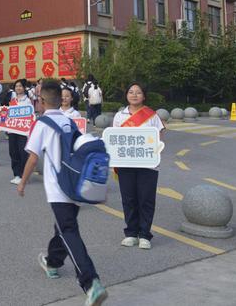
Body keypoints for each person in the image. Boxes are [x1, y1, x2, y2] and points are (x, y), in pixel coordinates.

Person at [17, 80, 108, 306]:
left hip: (58, 189)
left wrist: (23, 182)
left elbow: (33, 157)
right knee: (63, 227)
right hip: (76, 185)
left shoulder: (42, 123)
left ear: (42, 101)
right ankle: (52, 262)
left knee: (68, 231)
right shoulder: (69, 122)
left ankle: (90, 283)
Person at [113, 82, 165, 250]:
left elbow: (159, 138)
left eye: (138, 92)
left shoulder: (152, 116)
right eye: (131, 92)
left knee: (146, 200)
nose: (134, 95)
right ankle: (130, 233)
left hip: (147, 166)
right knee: (129, 199)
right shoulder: (120, 116)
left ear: (144, 96)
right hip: (126, 165)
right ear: (126, 95)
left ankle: (144, 235)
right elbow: (114, 140)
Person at [8, 79, 32, 185]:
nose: (18, 88)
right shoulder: (13, 100)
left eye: (20, 86)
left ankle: (23, 175)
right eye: (16, 86)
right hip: (13, 130)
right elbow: (8, 115)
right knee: (13, 151)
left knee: (22, 153)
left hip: (23, 130)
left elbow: (30, 116)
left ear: (24, 88)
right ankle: (16, 174)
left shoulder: (27, 101)